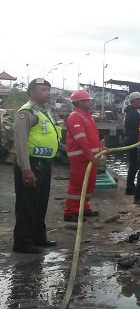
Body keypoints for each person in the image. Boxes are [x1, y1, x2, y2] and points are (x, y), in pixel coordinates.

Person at [12, 78, 61, 253]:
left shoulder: (43, 112)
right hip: (31, 164)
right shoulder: (26, 113)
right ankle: (23, 242)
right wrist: (26, 168)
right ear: (31, 92)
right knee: (27, 204)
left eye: (48, 89)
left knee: (41, 202)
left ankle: (38, 237)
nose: (47, 92)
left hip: (43, 164)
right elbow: (20, 143)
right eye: (42, 89)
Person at [63, 90, 104, 222]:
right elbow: (81, 138)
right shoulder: (75, 117)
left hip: (90, 157)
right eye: (87, 100)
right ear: (79, 102)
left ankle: (83, 208)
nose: (90, 102)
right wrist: (89, 155)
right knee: (77, 184)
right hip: (81, 157)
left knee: (89, 184)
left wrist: (100, 148)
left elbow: (92, 136)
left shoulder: (87, 116)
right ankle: (70, 212)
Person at [123, 92, 140, 195]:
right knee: (134, 165)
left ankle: (130, 186)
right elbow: (139, 128)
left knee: (134, 164)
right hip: (133, 141)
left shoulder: (131, 112)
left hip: (130, 139)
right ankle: (130, 187)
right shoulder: (134, 114)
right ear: (135, 101)